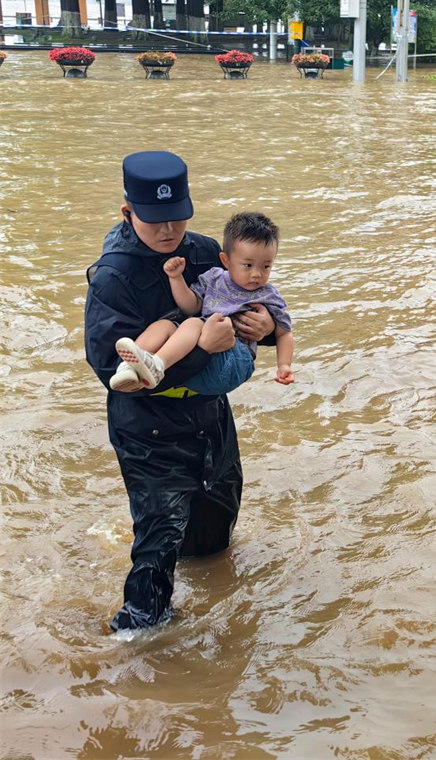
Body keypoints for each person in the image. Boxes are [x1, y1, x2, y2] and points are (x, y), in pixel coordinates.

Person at [84, 151, 275, 631]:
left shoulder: (208, 251)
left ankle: (210, 619)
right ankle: (135, 640)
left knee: (216, 522)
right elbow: (109, 366)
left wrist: (268, 327)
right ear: (128, 213)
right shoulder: (113, 276)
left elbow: (252, 298)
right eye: (154, 221)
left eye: (177, 217)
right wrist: (199, 350)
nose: (168, 230)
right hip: (147, 423)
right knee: (160, 536)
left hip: (210, 414)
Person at [109, 212, 294, 396]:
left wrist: (284, 365)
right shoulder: (213, 277)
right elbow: (190, 306)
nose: (257, 274)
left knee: (194, 323)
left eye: (266, 266)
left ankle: (158, 364)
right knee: (165, 325)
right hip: (201, 359)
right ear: (225, 261)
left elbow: (284, 332)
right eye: (248, 265)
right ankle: (128, 368)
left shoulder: (268, 294)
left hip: (235, 361)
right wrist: (176, 278)